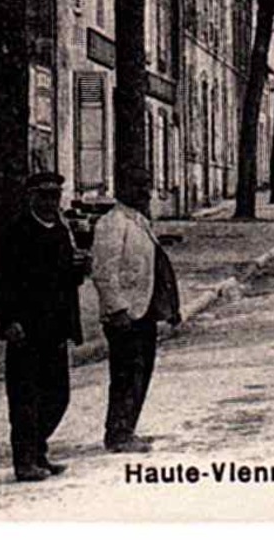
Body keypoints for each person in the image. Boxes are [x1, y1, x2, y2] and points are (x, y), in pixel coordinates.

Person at [0, 171, 90, 482]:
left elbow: (67, 281)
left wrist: (79, 269)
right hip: (26, 328)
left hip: (56, 327)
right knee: (24, 398)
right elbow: (2, 282)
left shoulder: (61, 231)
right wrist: (9, 321)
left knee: (58, 395)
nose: (50, 201)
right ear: (31, 197)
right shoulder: (15, 231)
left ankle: (39, 451)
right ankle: (25, 461)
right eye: (44, 195)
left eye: (55, 195)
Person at [91, 169, 180, 454]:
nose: (145, 191)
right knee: (126, 375)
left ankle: (127, 428)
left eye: (147, 185)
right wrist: (117, 309)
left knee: (141, 372)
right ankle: (117, 433)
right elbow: (104, 271)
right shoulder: (113, 223)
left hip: (144, 312)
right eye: (138, 186)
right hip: (127, 314)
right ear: (123, 189)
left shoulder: (138, 221)